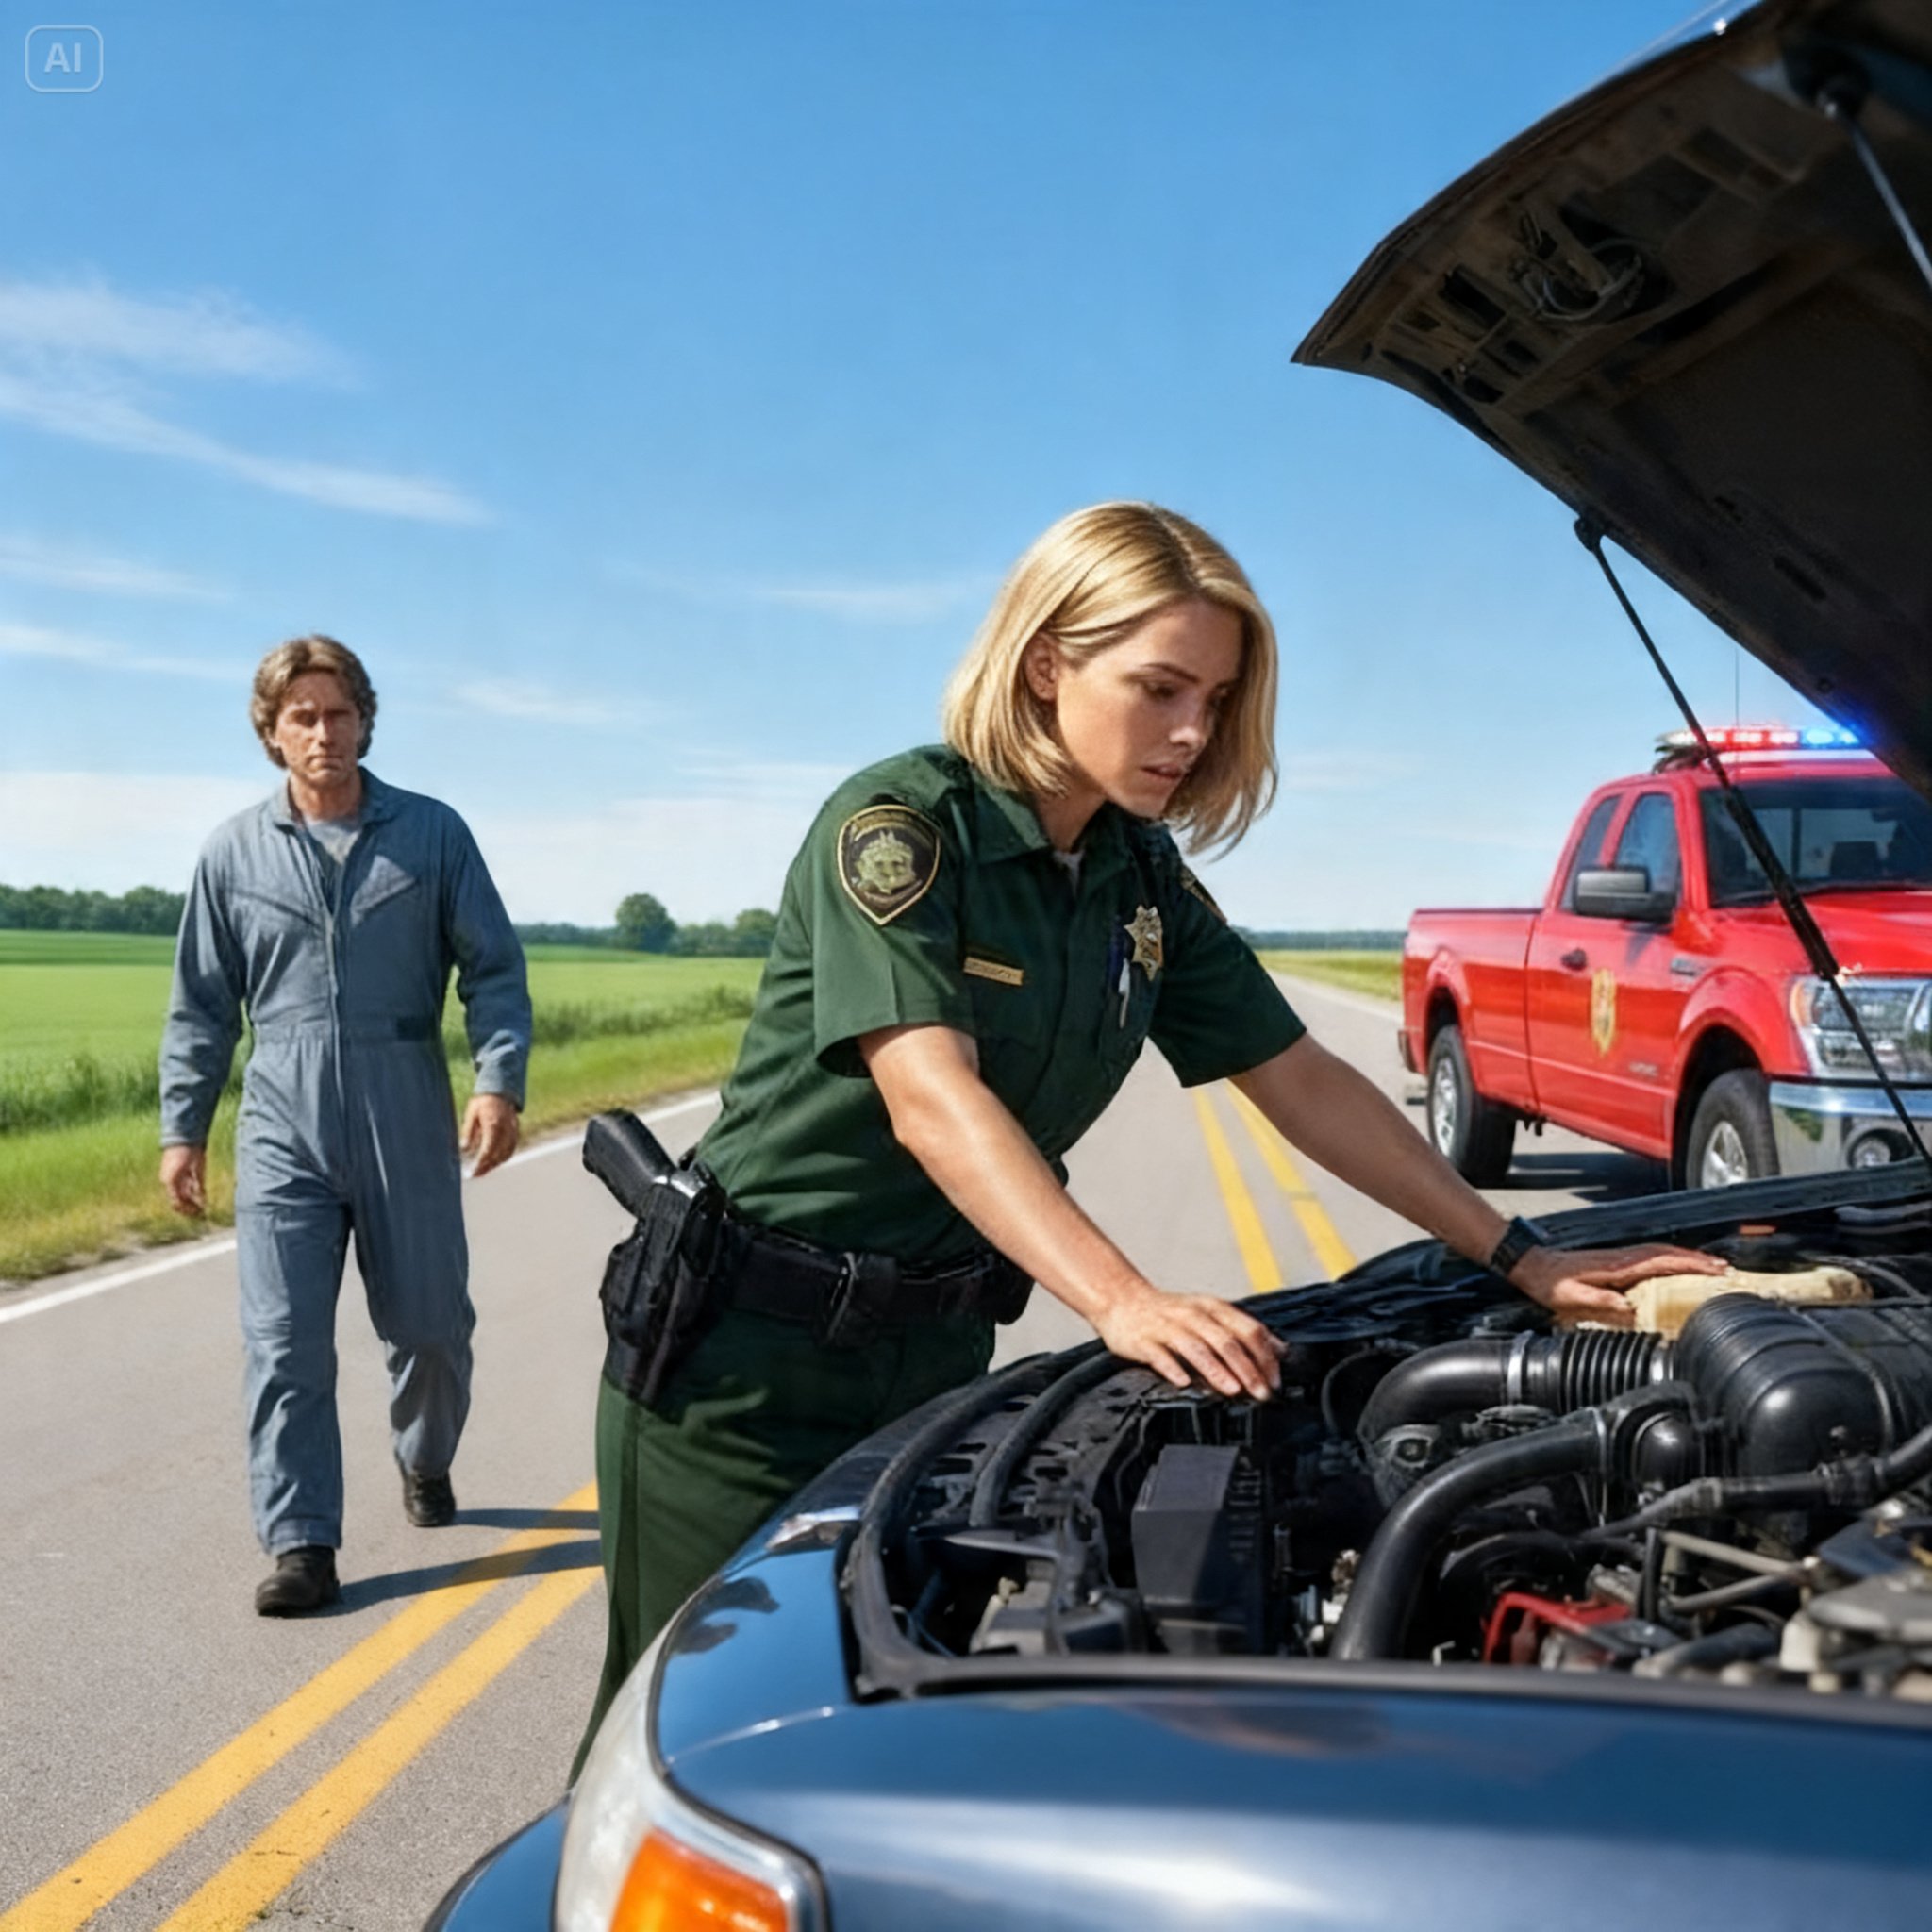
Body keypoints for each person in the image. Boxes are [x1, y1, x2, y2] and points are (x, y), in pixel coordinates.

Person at [575, 501, 1720, 1757]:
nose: (1192, 732)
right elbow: (930, 1098)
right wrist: (1122, 1299)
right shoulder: (901, 829)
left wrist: (1522, 1256)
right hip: (743, 1370)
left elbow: (1301, 1078)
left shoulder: (1138, 875)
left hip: (932, 1362)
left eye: (1215, 700)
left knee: (870, 1740)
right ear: (1045, 663)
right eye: (1160, 687)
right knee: (677, 1737)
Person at [159, 636, 532, 1615]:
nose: (323, 732)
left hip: (403, 1096)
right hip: (281, 1111)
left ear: (365, 723)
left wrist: (497, 1081)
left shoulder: (432, 835)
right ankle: (302, 1542)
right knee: (283, 1344)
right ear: (271, 733)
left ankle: (425, 1454)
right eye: (303, 717)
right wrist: (182, 1127)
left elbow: (493, 969)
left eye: (339, 713)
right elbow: (201, 1006)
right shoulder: (231, 853)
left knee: (431, 1327)